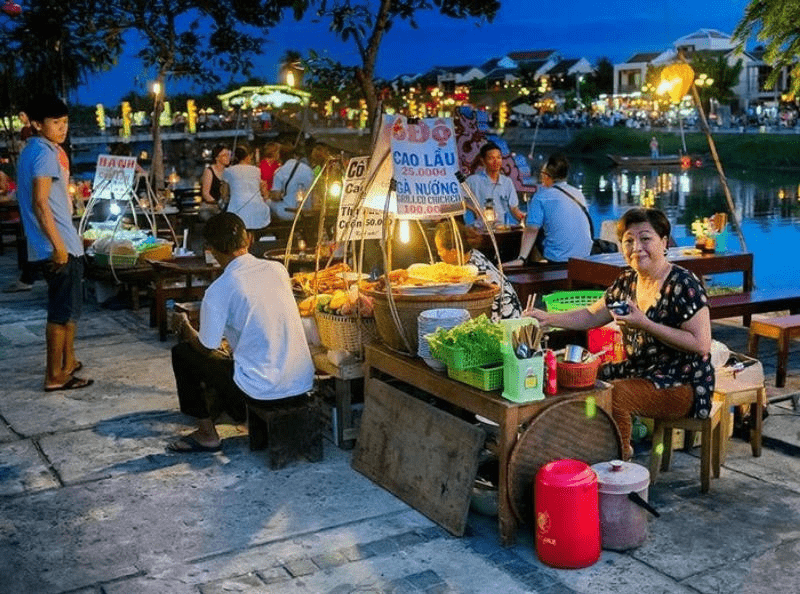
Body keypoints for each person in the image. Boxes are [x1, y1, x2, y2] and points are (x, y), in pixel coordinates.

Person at [525, 208, 713, 460]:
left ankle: (619, 463)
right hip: (639, 370)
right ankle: (580, 449)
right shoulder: (627, 281)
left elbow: (701, 344)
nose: (637, 247)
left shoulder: (684, 284)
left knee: (618, 394)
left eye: (645, 238)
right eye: (628, 241)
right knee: (582, 377)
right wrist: (548, 318)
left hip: (683, 381)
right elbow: (592, 315)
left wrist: (645, 323)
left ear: (664, 242)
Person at [168, 212, 314, 452]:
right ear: (249, 239)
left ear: (210, 249)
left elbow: (206, 347)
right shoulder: (278, 269)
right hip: (302, 383)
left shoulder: (219, 289)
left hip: (261, 391)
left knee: (183, 353)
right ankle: (222, 413)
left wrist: (185, 327)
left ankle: (206, 434)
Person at [16, 94, 92, 391]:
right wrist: (58, 245)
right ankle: (54, 375)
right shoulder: (45, 153)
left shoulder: (33, 150)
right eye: (56, 123)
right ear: (37, 124)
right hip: (57, 245)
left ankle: (67, 362)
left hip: (61, 242)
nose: (63, 128)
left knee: (69, 310)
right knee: (60, 314)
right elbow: (39, 202)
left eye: (65, 122)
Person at [504, 153, 592, 267]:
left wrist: (521, 258)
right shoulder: (578, 194)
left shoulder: (541, 196)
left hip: (559, 260)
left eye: (542, 174)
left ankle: (527, 265)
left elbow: (532, 230)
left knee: (533, 227)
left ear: (546, 176)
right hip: (585, 256)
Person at [434, 220, 522, 321]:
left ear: (454, 252)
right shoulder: (472, 254)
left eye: (440, 249)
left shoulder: (472, 271)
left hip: (504, 320)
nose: (438, 253)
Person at [464, 142, 524, 227]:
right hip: (479, 229)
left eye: (498, 158)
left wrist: (524, 218)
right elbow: (458, 200)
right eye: (491, 158)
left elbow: (514, 208)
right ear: (483, 161)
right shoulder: (473, 180)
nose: (496, 161)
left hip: (501, 228)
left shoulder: (507, 182)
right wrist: (473, 209)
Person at [222, 145, 269, 240]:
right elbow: (263, 190)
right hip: (257, 207)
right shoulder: (257, 170)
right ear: (248, 156)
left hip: (237, 208)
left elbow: (224, 194)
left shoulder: (228, 171)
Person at [269, 147, 314, 222]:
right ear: (295, 156)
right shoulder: (308, 169)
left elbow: (276, 196)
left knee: (267, 202)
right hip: (307, 211)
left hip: (288, 213)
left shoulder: (280, 171)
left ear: (280, 157)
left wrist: (279, 195)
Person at [200, 144, 230, 214]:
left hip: (225, 206)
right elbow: (205, 193)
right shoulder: (209, 171)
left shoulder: (228, 171)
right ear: (217, 158)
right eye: (225, 155)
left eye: (228, 155)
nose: (228, 157)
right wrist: (217, 203)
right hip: (211, 206)